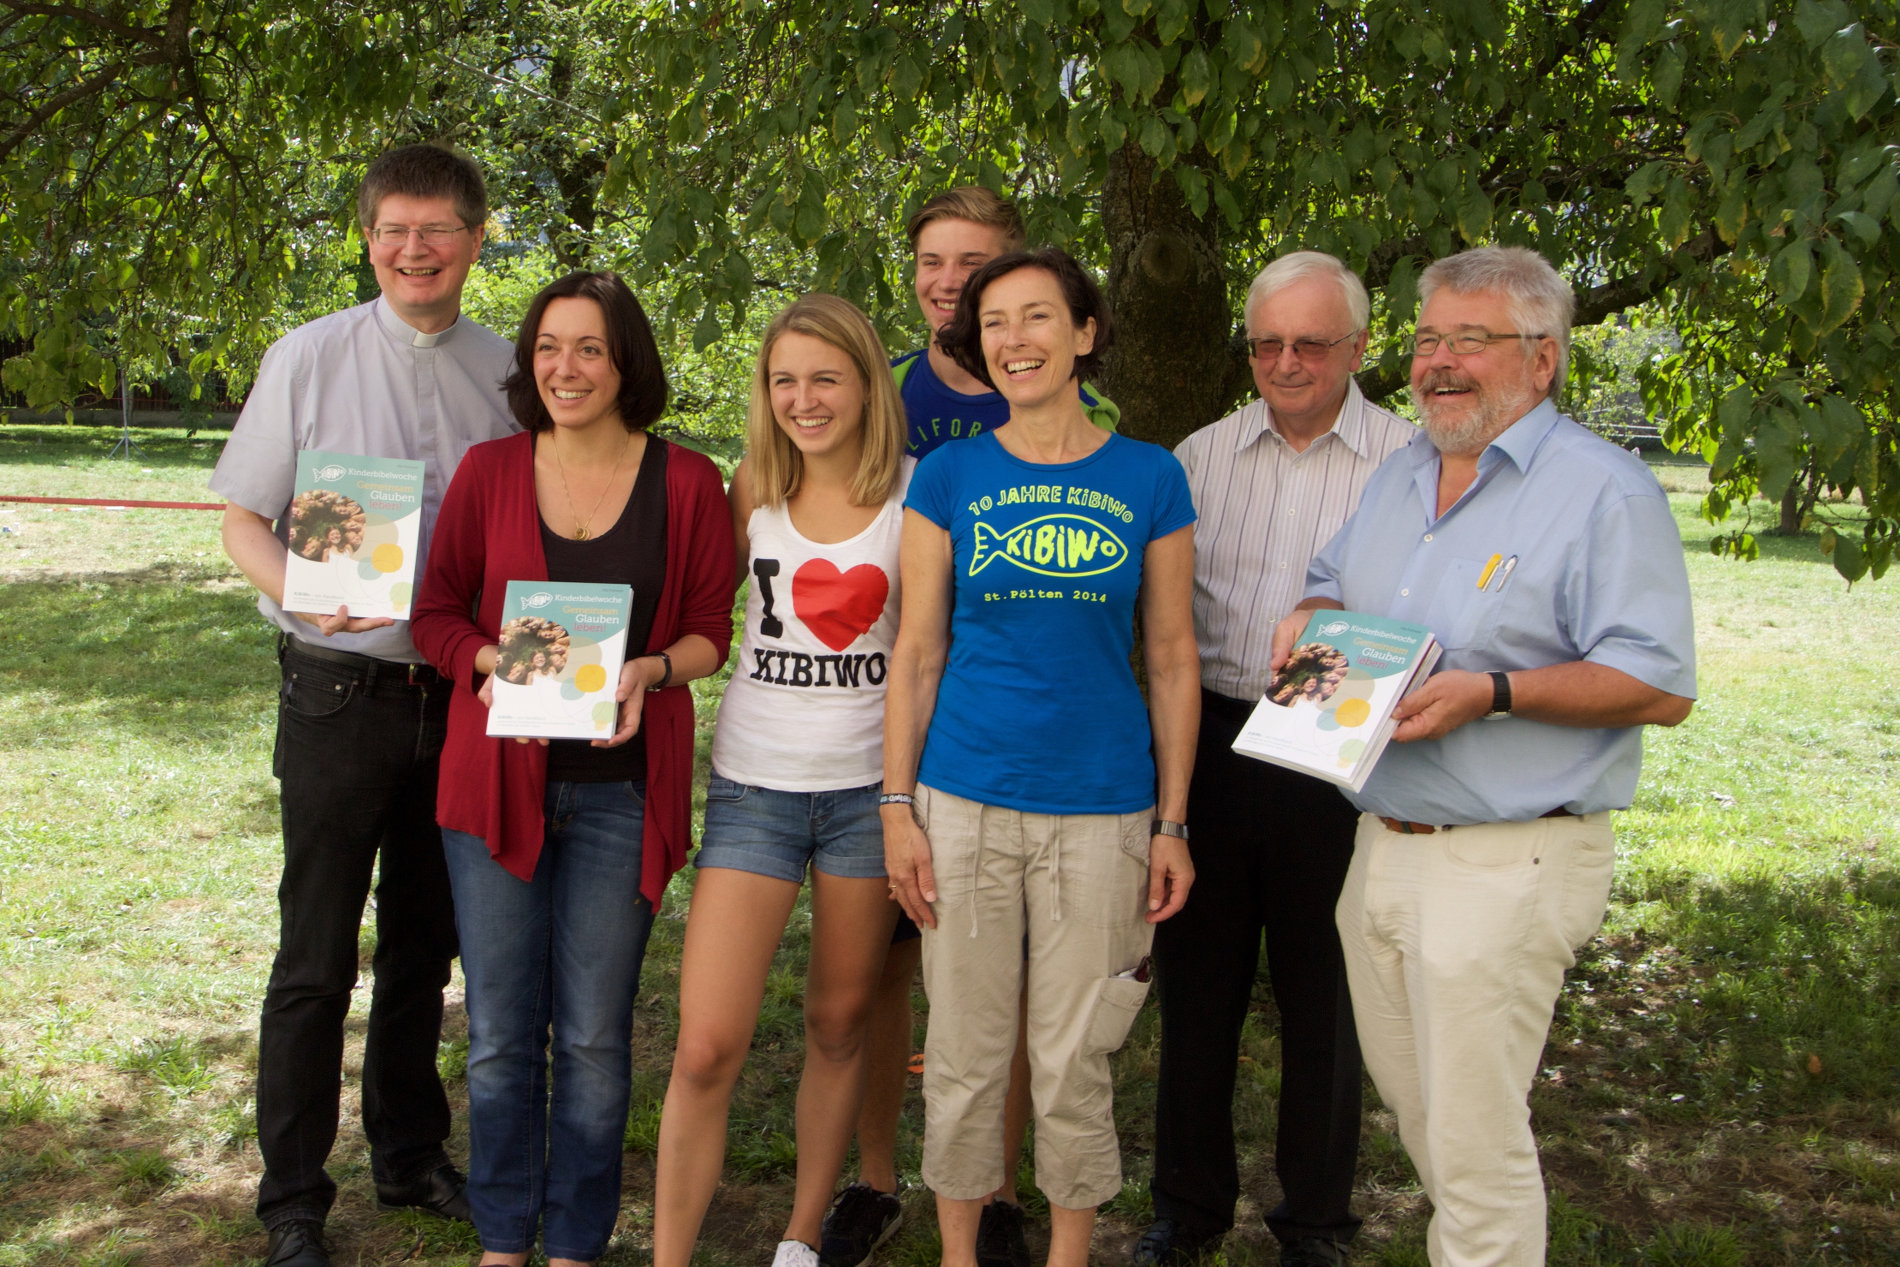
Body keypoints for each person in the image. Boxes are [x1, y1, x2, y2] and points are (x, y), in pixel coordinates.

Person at [1273, 246, 1696, 1265]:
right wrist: (1308, 618)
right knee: (1431, 1128)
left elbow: (1660, 683)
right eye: (1427, 339)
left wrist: (1494, 692)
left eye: (1472, 339)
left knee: (1472, 1146)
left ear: (1542, 360)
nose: (1439, 362)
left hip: (1507, 859)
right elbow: (1332, 582)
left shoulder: (1602, 491)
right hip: (1382, 843)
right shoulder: (1404, 471)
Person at [210, 143, 515, 1267]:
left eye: (436, 229)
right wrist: (301, 590)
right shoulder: (307, 356)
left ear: (476, 240)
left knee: (426, 948)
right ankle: (293, 1195)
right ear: (368, 238)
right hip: (337, 692)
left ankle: (407, 1151)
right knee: (314, 953)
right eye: (393, 228)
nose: (414, 249)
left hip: (465, 698)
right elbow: (244, 514)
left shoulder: (512, 369)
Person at [882, 247, 1200, 1267]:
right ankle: (959, 1255)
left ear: (1083, 334)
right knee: (967, 1055)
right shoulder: (950, 474)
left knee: (1075, 1058)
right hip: (965, 799)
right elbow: (919, 650)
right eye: (994, 325)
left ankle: (1067, 1255)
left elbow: (1170, 655)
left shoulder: (1149, 474)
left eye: (1035, 318)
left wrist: (1173, 822)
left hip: (1104, 808)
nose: (1012, 340)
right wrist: (896, 805)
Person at [410, 271, 736, 1266]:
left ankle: (577, 1240)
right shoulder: (489, 471)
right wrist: (486, 661)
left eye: (588, 347)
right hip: (494, 790)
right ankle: (505, 1234)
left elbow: (709, 631)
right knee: (504, 1033)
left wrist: (649, 666)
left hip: (619, 795)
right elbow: (436, 616)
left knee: (594, 1037)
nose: (566, 367)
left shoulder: (686, 482)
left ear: (625, 359)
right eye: (549, 347)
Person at [828, 187, 1121, 1267]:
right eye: (934, 263)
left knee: (1016, 1005)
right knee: (895, 985)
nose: (954, 285)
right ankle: (875, 1179)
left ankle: (996, 1196)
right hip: (905, 744)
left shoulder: (1103, 440)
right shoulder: (886, 401)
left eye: (979, 267)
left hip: (1049, 768)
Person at [1137, 253, 1416, 1267]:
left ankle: (1315, 1220)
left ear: (1357, 346)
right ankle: (1187, 1207)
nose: (1287, 362)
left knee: (1323, 994)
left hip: (1339, 748)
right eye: (1267, 342)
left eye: (1311, 342)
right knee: (1196, 987)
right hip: (1210, 741)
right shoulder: (1197, 459)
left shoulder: (1410, 461)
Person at [652, 294, 910, 1267]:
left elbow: (927, 653)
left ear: (866, 384)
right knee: (708, 1039)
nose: (804, 398)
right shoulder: (751, 483)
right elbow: (702, 617)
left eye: (825, 377)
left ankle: (801, 1237)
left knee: (841, 1017)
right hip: (754, 788)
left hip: (863, 797)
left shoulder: (913, 495)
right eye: (785, 379)